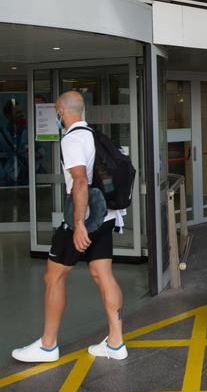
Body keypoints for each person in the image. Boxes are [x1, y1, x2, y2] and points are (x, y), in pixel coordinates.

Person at [12, 91, 127, 363]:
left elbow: (80, 181)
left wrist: (77, 225)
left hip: (83, 218)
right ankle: (115, 342)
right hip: (105, 216)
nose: (57, 115)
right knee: (103, 274)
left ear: (61, 111)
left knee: (54, 277)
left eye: (57, 110)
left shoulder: (73, 139)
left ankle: (47, 346)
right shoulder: (95, 136)